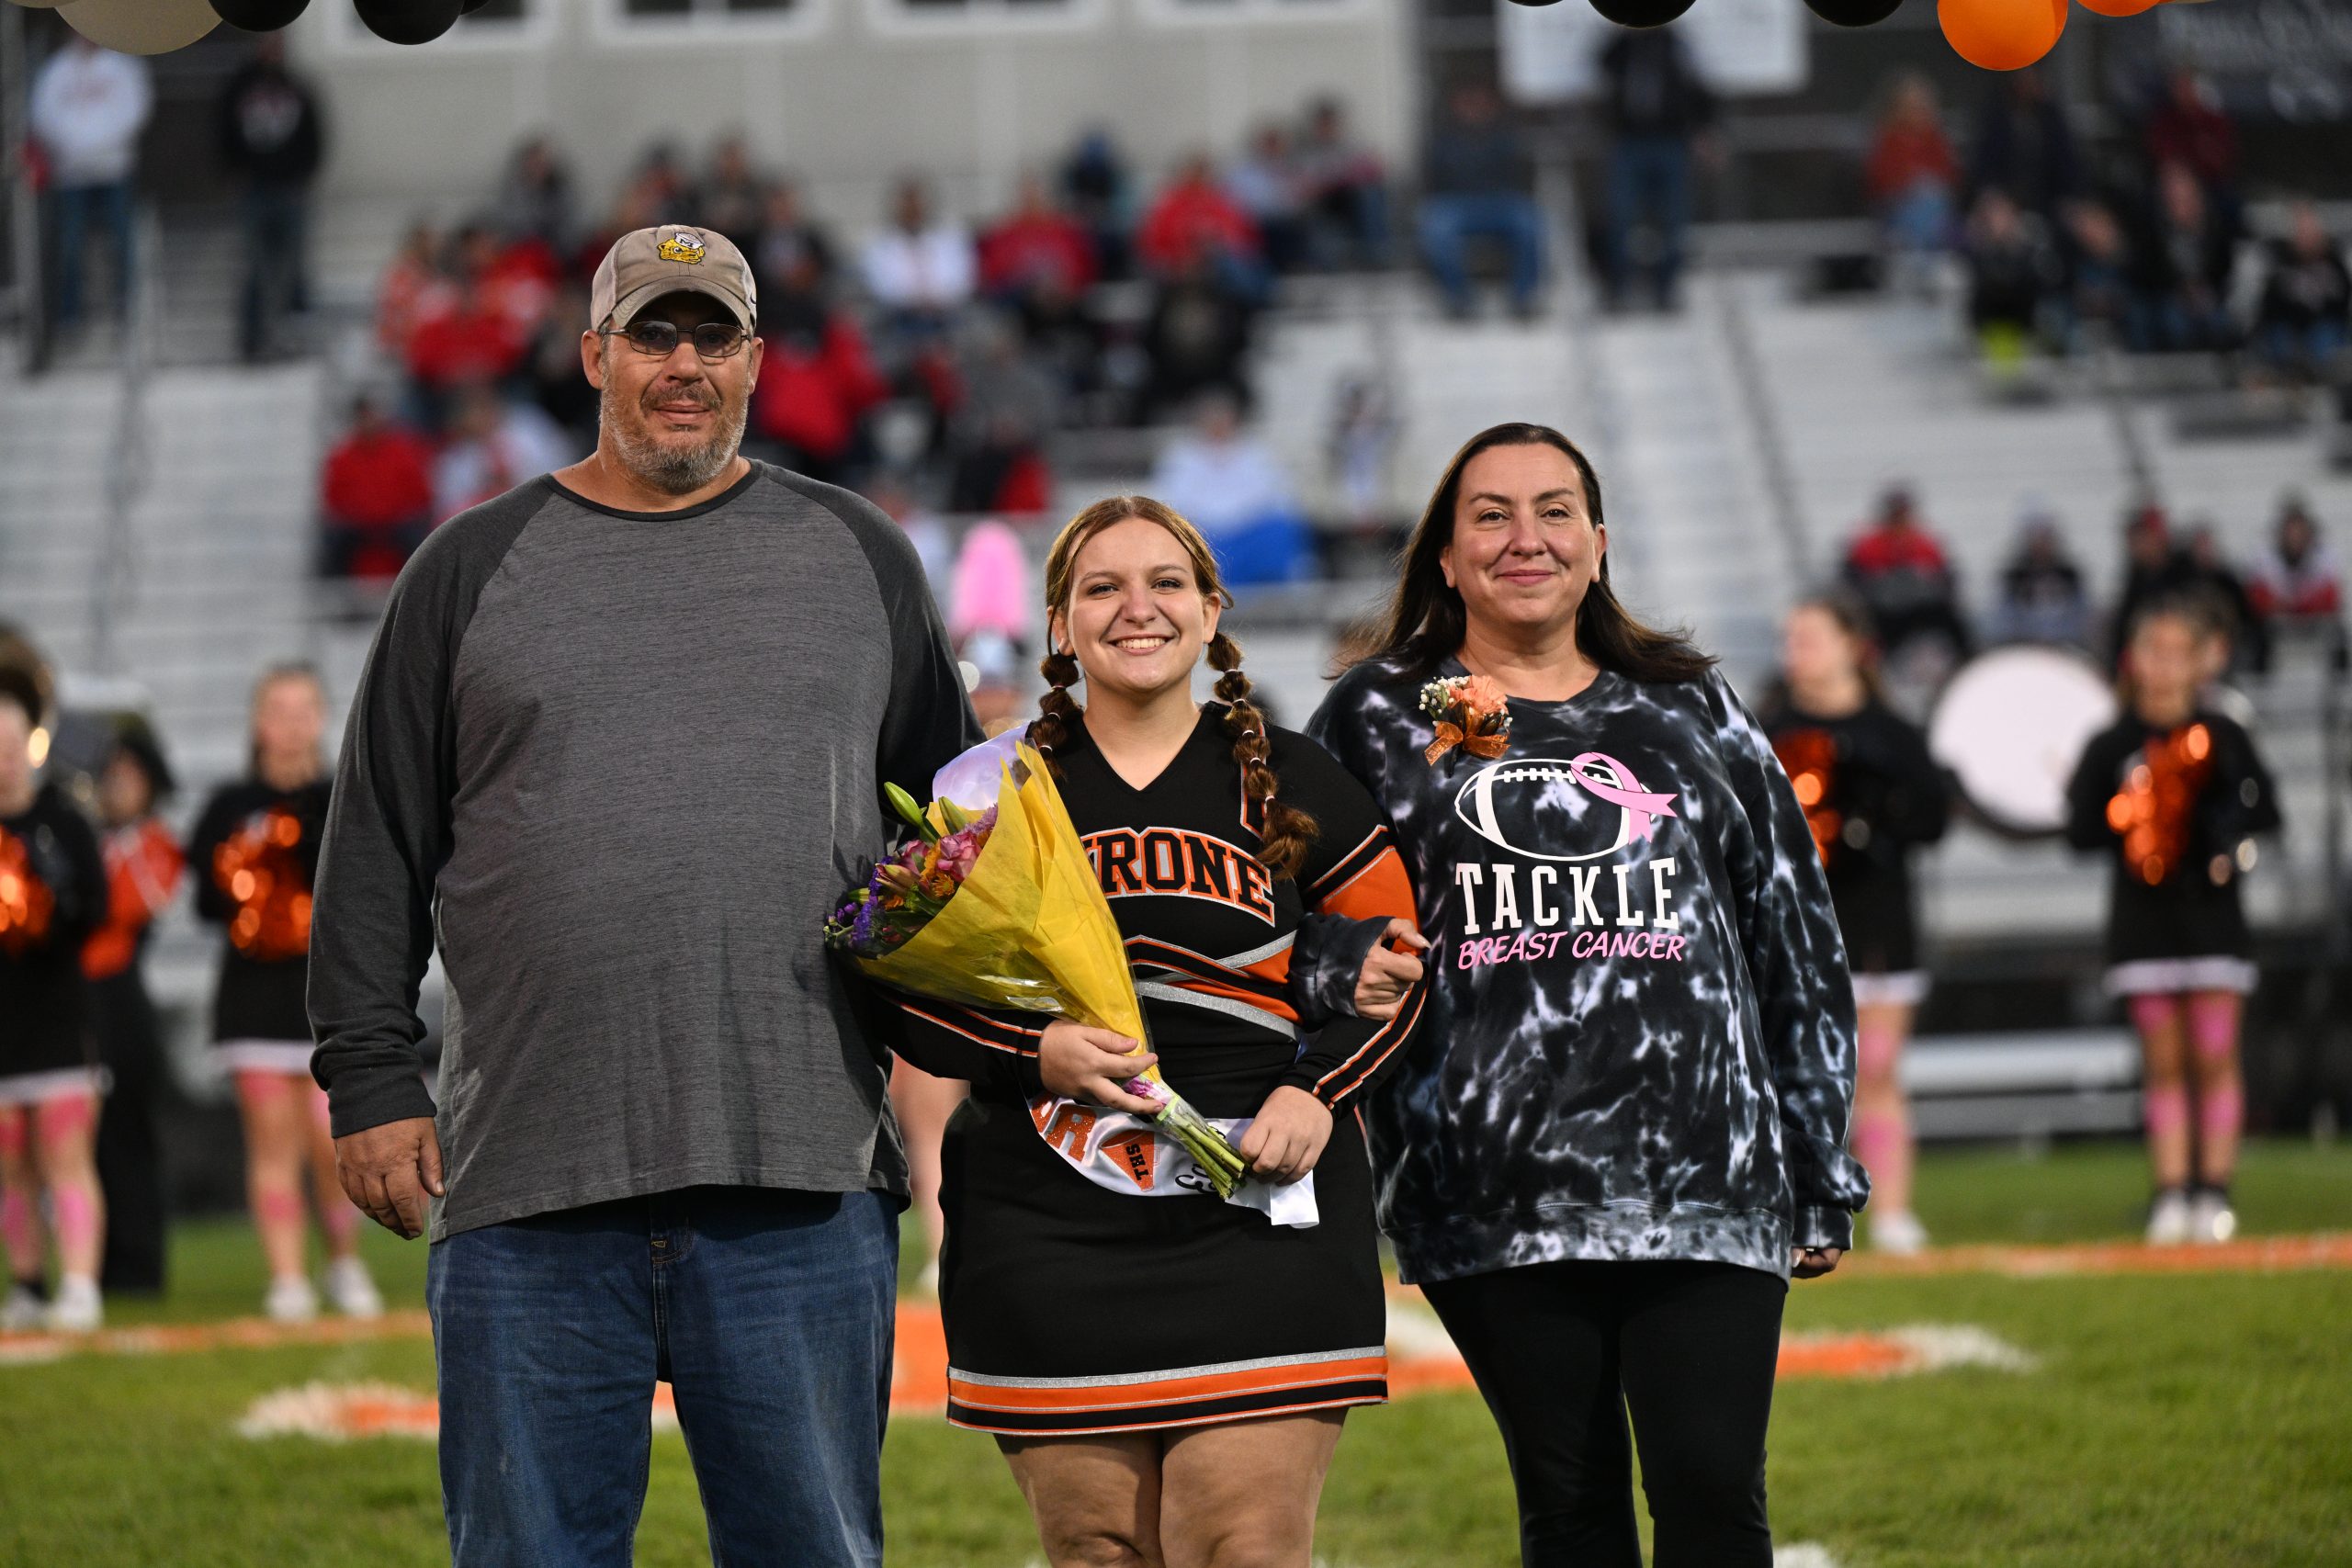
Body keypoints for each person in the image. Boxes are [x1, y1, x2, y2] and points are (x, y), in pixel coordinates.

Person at [310, 223, 978, 1568]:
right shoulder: (466, 565)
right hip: (531, 1180)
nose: (683, 365)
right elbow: (375, 834)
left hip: (800, 1173)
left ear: (756, 361)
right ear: (593, 354)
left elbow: (956, 841)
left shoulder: (861, 554)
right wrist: (371, 1073)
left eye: (711, 336)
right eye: (653, 335)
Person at [1306, 422, 1867, 1568]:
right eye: (1492, 516)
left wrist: (1818, 1159)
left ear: (1598, 544)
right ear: (1447, 557)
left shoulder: (1691, 706)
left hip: (1708, 1176)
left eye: (1555, 511)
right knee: (1570, 1514)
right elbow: (1289, 914)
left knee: (1713, 1498)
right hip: (1493, 1183)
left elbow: (1794, 938)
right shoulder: (1374, 717)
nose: (1527, 539)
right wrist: (1333, 968)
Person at [876, 495, 1425, 1567]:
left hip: (1265, 1213)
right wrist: (1035, 1053)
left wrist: (1316, 1091)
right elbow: (902, 997)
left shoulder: (1297, 777)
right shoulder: (986, 793)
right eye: (1102, 588)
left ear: (1213, 611)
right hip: (1048, 1222)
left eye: (1166, 583)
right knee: (1096, 1552)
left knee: (1245, 1545)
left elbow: (1397, 969)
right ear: (1057, 624)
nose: (1138, 609)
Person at [2066, 598, 2281, 1246]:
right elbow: (2079, 830)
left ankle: (2213, 1191)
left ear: (2200, 661)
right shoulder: (2112, 742)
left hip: (2212, 922)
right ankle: (2170, 1191)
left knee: (2214, 1052)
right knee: (2162, 1062)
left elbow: (2264, 812)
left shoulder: (2224, 734)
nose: (2161, 666)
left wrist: (2219, 836)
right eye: (2150, 651)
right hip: (2143, 924)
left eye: (2175, 652)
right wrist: (2127, 813)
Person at [189, 664, 382, 1326]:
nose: (294, 721)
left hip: (327, 1002)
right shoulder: (228, 805)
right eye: (280, 707)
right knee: (272, 1145)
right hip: (252, 1003)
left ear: (323, 717)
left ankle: (343, 1261)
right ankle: (288, 1278)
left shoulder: (346, 796)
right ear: (258, 720)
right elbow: (206, 902)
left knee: (331, 1145)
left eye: (306, 707)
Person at [1762, 594, 1950, 1255]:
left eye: (1811, 635)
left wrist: (1872, 819)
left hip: (1875, 921)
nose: (1797, 649)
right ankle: (1800, 1206)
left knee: (1875, 1068)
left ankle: (1893, 1211)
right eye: (1791, 637)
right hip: (1790, 926)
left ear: (1852, 645)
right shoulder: (1764, 728)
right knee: (1792, 1070)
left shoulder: (1891, 732)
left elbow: (1933, 816)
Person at [0, 669, 110, 1333]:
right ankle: (29, 1284)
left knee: (67, 1155)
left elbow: (94, 910)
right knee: (10, 1164)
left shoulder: (63, 817)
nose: (3, 758)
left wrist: (50, 901)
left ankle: (80, 1285)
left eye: (12, 742)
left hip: (59, 1016)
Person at [83, 717, 183, 1296]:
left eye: (128, 775)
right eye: (109, 774)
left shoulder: (154, 844)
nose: (115, 785)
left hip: (120, 997)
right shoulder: (79, 835)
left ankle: (138, 1266)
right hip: (70, 999)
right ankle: (88, 1264)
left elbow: (132, 904)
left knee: (128, 1133)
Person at [29, 37, 152, 335]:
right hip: (71, 173)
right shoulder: (57, 69)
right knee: (71, 244)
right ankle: (71, 311)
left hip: (115, 168)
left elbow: (136, 107)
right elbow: (43, 114)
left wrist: (100, 143)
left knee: (123, 239)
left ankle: (126, 303)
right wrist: (74, 146)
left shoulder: (123, 64)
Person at [215, 35, 325, 364]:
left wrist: (303, 176)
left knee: (293, 265)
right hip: (255, 189)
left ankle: (294, 335)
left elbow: (314, 135)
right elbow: (223, 132)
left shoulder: (297, 87)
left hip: (289, 188)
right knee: (255, 267)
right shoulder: (239, 88)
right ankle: (252, 339)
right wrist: (234, 172)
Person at [1597, 27, 1718, 312]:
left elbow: (1699, 88)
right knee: (1620, 216)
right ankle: (1619, 286)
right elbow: (1602, 63)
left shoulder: (1677, 45)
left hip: (1671, 141)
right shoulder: (1623, 45)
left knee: (1674, 218)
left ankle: (1666, 287)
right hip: (1628, 141)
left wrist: (1705, 129)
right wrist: (1624, 35)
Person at [1150, 395, 1316, 587]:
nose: (1218, 424)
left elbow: (1277, 494)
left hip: (1250, 529)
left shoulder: (1255, 453)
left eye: (1223, 418)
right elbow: (1171, 500)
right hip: (1205, 532)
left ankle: (1281, 589)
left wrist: (1240, 519)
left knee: (1282, 527)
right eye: (1212, 419)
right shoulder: (1181, 457)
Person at [1419, 82, 1544, 319]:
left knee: (1531, 222)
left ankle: (1523, 297)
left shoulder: (1506, 137)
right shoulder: (1442, 140)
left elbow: (1522, 175)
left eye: (1480, 102)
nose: (1474, 108)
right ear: (1456, 106)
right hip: (1456, 203)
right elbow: (1432, 180)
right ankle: (1460, 299)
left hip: (1500, 202)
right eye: (1467, 102)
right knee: (1436, 228)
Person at [1840, 484, 1973, 669]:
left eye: (1902, 513)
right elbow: (1851, 579)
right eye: (1895, 513)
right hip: (1884, 612)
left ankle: (1968, 662)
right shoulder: (1868, 544)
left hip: (1920, 609)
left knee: (1952, 620)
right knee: (1869, 630)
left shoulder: (1924, 542)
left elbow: (1947, 578)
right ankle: (1871, 669)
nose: (1899, 519)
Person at [320, 396, 436, 582]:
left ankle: (421, 586)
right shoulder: (341, 457)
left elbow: (420, 495)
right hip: (359, 525)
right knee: (334, 542)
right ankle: (333, 594)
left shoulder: (403, 451)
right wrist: (362, 517)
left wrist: (390, 516)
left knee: (419, 541)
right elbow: (334, 500)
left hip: (397, 523)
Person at [1867, 74, 1959, 270]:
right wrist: (1911, 182)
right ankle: (1923, 264)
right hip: (1897, 207)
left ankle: (1923, 262)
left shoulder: (1935, 139)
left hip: (1934, 207)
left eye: (1921, 106)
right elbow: (1880, 180)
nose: (1917, 112)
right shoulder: (1889, 139)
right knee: (1923, 204)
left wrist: (1925, 182)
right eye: (1911, 106)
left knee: (1931, 200)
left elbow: (1949, 174)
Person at [2251, 203, 2349, 380]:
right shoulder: (2280, 265)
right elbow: (2269, 308)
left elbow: (2342, 304)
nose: (2306, 236)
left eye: (2310, 230)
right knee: (2279, 339)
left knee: (2325, 336)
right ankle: (2291, 377)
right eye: (2301, 231)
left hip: (2323, 327)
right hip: (2289, 327)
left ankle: (2318, 380)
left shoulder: (2334, 264)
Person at [2246, 497, 2346, 665]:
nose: (2295, 538)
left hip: (2314, 620)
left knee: (2338, 633)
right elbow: (2257, 599)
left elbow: (2332, 599)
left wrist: (2301, 606)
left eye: (2299, 532)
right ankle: (2260, 675)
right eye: (2290, 532)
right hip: (2277, 621)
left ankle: (2339, 680)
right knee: (2255, 632)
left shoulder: (2323, 559)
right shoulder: (2266, 559)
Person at [1988, 504, 2093, 649]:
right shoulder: (2013, 578)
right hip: (2024, 649)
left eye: (2045, 536)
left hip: (2065, 647)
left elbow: (2081, 616)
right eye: (2036, 537)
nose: (2041, 543)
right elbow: (2004, 619)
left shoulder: (2070, 576)